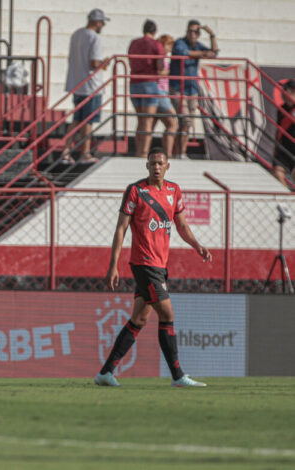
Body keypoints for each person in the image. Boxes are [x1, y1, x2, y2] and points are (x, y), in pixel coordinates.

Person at [95, 147, 212, 388]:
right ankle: (178, 376)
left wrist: (197, 245)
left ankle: (105, 373)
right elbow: (121, 228)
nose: (156, 167)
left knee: (139, 318)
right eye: (152, 163)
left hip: (160, 264)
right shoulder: (136, 191)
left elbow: (181, 225)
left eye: (160, 163)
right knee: (167, 314)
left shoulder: (174, 191)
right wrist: (113, 266)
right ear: (146, 166)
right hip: (144, 263)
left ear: (167, 166)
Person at [61, 8, 110, 164]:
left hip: (77, 83)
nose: (102, 25)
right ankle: (85, 153)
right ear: (97, 22)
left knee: (76, 120)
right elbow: (94, 63)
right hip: (91, 86)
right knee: (87, 121)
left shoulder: (76, 34)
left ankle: (66, 151)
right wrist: (105, 63)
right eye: (102, 22)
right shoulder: (95, 38)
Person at [169, 20, 219, 159]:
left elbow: (214, 53)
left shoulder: (198, 46)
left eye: (196, 31)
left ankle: (180, 152)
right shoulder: (180, 42)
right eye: (190, 31)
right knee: (184, 121)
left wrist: (212, 35)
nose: (192, 34)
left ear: (199, 34)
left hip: (191, 89)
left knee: (188, 123)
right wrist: (203, 53)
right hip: (178, 88)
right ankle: (180, 153)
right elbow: (184, 53)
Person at [128, 20, 176, 158]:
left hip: (134, 83)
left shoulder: (134, 43)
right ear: (155, 31)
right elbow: (160, 66)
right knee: (148, 121)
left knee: (141, 120)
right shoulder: (155, 44)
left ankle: (139, 152)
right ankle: (143, 153)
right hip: (150, 83)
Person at [154, 34, 178, 155]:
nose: (170, 48)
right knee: (172, 123)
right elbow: (159, 73)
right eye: (168, 45)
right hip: (160, 92)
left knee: (149, 124)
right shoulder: (160, 58)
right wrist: (171, 71)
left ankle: (143, 152)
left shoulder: (161, 58)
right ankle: (167, 154)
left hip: (160, 92)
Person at [273, 78, 295, 187]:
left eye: (286, 90)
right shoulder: (282, 109)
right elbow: (279, 129)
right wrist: (275, 148)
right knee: (278, 172)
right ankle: (289, 200)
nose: (283, 93)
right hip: (285, 148)